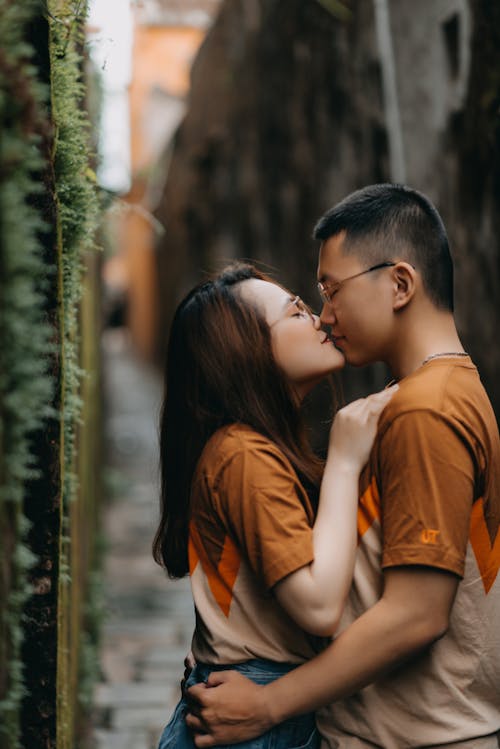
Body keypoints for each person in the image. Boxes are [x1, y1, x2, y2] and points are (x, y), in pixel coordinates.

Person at [185, 184, 500, 749]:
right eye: (310, 301)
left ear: (400, 284)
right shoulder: (425, 396)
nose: (325, 316)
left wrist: (267, 704)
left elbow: (415, 615)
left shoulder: (425, 408)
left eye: (331, 292)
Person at [153, 262, 397, 749]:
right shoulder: (243, 455)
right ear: (246, 352)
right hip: (256, 718)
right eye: (297, 312)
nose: (322, 321)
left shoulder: (251, 448)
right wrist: (346, 461)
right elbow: (320, 606)